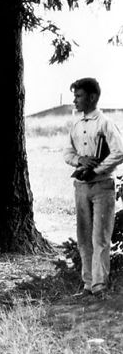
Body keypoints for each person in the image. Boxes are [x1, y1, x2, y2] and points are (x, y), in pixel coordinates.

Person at [64, 77, 123, 299]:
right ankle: (87, 284)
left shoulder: (105, 123)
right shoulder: (76, 124)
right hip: (81, 187)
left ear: (92, 97)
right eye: (74, 96)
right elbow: (66, 153)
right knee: (84, 236)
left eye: (79, 96)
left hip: (103, 186)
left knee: (100, 237)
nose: (75, 100)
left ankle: (100, 285)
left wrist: (97, 169)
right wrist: (81, 160)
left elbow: (119, 151)